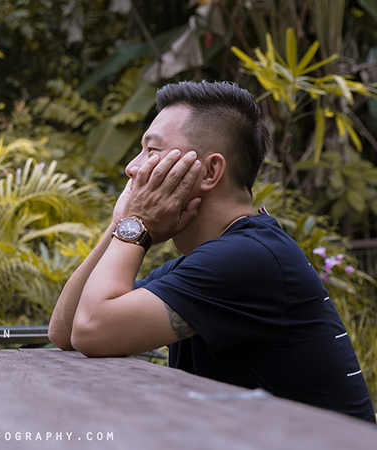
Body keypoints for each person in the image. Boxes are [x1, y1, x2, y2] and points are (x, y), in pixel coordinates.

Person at [48, 80, 376, 423]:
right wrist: (122, 223)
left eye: (152, 151)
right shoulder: (210, 261)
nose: (133, 167)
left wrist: (137, 223)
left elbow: (90, 329)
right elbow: (65, 329)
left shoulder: (249, 257)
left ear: (209, 171)